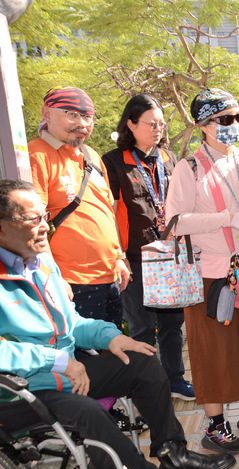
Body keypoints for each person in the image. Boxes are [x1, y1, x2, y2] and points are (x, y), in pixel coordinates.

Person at [0, 179, 235, 469]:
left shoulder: (39, 265)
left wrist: (112, 338)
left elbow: (72, 323)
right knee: (89, 413)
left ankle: (173, 454)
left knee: (142, 363)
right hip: (20, 391)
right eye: (33, 219)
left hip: (68, 372)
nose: (45, 226)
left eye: (44, 216)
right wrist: (57, 361)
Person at [166, 88, 239, 454]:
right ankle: (216, 426)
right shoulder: (189, 168)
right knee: (212, 350)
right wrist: (227, 218)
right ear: (204, 124)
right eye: (225, 119)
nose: (235, 124)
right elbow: (174, 222)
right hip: (209, 275)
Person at [101, 94, 195, 401]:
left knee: (172, 323)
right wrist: (118, 255)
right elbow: (109, 213)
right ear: (131, 124)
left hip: (168, 254)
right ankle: (147, 388)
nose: (158, 129)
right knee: (141, 326)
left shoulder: (168, 158)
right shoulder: (113, 162)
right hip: (135, 257)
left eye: (161, 124)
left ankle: (175, 380)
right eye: (151, 124)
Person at [28, 87, 131, 327]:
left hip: (109, 277)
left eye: (87, 116)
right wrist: (53, 277)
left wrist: (119, 257)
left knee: (111, 346)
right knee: (83, 350)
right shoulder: (37, 154)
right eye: (71, 114)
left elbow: (107, 210)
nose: (82, 123)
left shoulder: (91, 155)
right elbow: (33, 225)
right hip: (71, 281)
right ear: (47, 113)